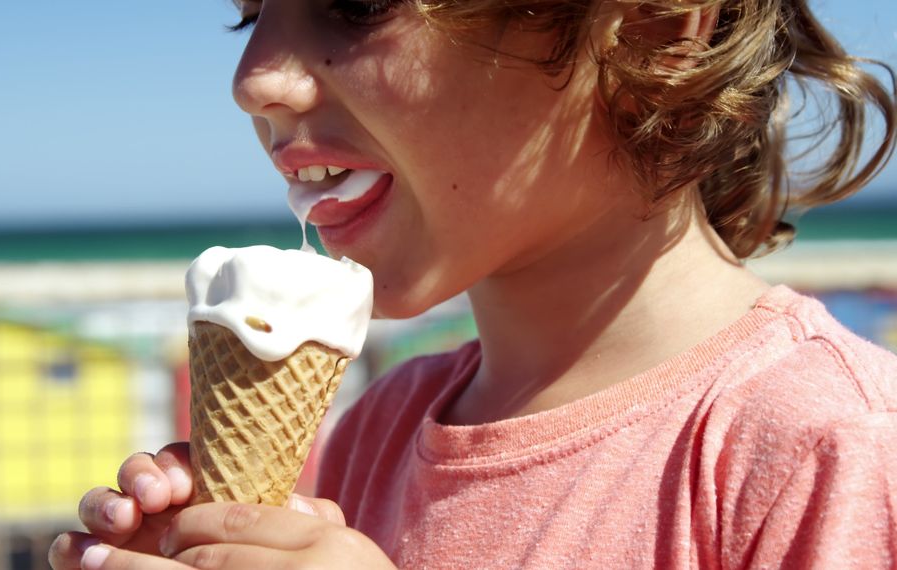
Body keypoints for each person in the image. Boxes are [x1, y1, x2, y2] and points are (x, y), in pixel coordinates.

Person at [50, 0, 897, 568]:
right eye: (249, 18)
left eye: (356, 3)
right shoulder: (381, 425)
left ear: (649, 22)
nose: (254, 81)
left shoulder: (829, 445)